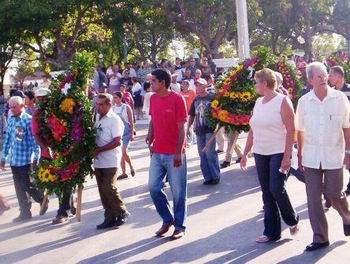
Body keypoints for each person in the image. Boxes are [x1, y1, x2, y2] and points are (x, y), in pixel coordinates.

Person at [240, 68, 299, 243]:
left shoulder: (283, 101)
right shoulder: (258, 102)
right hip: (260, 152)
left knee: (276, 188)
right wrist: (245, 153)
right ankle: (272, 232)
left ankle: (291, 220)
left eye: (256, 82)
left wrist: (287, 156)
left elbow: (291, 130)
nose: (255, 85)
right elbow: (253, 129)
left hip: (278, 152)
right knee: (266, 192)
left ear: (264, 83)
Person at [295, 62, 350, 251]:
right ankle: (320, 237)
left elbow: (347, 127)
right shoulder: (304, 102)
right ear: (310, 80)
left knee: (334, 194)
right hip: (310, 156)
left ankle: (347, 216)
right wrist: (300, 155)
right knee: (313, 199)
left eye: (325, 75)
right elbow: (299, 130)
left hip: (334, 155)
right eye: (318, 76)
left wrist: (349, 153)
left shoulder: (339, 98)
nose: (323, 78)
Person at [146, 69, 188, 239]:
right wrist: (150, 135)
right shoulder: (153, 98)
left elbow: (182, 128)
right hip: (157, 152)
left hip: (174, 154)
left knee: (178, 192)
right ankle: (167, 219)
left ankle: (179, 226)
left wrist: (178, 152)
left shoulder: (178, 99)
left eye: (153, 81)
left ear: (163, 82)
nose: (151, 84)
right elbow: (153, 120)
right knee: (154, 187)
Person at [0, 96, 48, 222]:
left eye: (14, 107)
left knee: (27, 184)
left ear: (22, 106)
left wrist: (35, 159)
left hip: (26, 159)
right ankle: (25, 212)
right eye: (10, 107)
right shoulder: (11, 120)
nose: (12, 109)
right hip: (14, 159)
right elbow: (7, 140)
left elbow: (35, 142)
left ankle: (41, 198)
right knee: (19, 187)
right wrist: (3, 157)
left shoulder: (28, 120)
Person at [32, 88, 76, 224]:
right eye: (39, 99)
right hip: (47, 154)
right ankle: (65, 202)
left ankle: (63, 212)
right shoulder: (37, 115)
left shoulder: (60, 112)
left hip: (64, 153)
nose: (42, 101)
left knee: (65, 182)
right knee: (48, 182)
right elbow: (36, 134)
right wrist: (45, 147)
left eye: (44, 98)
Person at [94, 93, 129, 229]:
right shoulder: (98, 118)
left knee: (109, 187)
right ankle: (109, 216)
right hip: (99, 161)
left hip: (110, 160)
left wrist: (100, 149)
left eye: (102, 104)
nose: (98, 107)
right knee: (102, 191)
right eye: (97, 104)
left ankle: (121, 211)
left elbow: (116, 141)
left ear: (109, 104)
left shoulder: (114, 119)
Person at [188, 78, 220, 184]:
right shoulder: (196, 99)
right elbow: (192, 114)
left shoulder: (212, 97)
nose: (198, 87)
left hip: (210, 129)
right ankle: (207, 177)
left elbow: (219, 111)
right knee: (202, 154)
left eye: (200, 85)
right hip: (199, 130)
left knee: (210, 153)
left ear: (206, 86)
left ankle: (215, 176)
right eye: (196, 85)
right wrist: (188, 127)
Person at [329, 65, 350, 195]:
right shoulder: (330, 92)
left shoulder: (349, 90)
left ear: (339, 76)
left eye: (331, 75)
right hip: (335, 130)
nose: (329, 78)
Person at [112, 92, 135, 180]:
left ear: (121, 98)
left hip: (126, 132)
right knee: (121, 153)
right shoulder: (113, 109)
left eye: (116, 97)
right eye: (114, 98)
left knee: (123, 150)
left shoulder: (126, 107)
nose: (115, 99)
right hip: (117, 133)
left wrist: (132, 132)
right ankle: (124, 172)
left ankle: (131, 166)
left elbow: (131, 120)